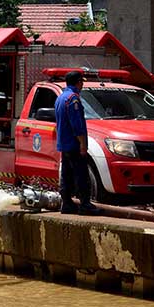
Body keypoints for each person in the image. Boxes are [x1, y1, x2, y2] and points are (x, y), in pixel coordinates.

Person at [54, 70, 101, 216]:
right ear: (78, 82)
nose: (82, 85)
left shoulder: (61, 97)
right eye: (82, 82)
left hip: (64, 143)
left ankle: (67, 203)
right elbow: (77, 125)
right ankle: (85, 205)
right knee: (81, 174)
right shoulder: (73, 99)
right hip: (74, 144)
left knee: (67, 175)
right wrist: (83, 144)